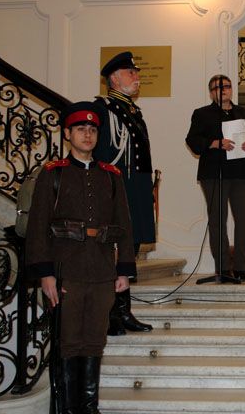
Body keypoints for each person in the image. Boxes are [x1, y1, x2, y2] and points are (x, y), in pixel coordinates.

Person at [25, 101, 136, 413]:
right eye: (80, 129)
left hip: (101, 270)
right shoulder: (53, 174)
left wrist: (124, 269)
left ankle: (88, 408)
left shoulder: (111, 176)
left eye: (92, 130)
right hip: (66, 271)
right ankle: (66, 408)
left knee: (94, 342)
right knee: (69, 342)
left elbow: (124, 225)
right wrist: (46, 274)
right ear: (67, 134)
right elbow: (37, 227)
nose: (87, 134)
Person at [94, 51, 154, 335]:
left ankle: (124, 311)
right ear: (115, 79)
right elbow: (103, 154)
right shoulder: (104, 108)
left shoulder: (132, 110)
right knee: (113, 250)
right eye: (131, 72)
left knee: (129, 249)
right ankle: (110, 314)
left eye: (136, 72)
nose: (137, 77)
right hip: (117, 187)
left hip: (136, 188)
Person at [186, 74, 245, 281]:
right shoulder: (202, 114)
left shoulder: (243, 113)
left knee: (244, 219)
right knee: (218, 220)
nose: (223, 90)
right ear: (211, 93)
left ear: (231, 89)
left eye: (227, 86)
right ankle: (223, 268)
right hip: (214, 174)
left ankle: (241, 267)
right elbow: (192, 141)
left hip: (241, 174)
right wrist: (216, 143)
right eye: (218, 87)